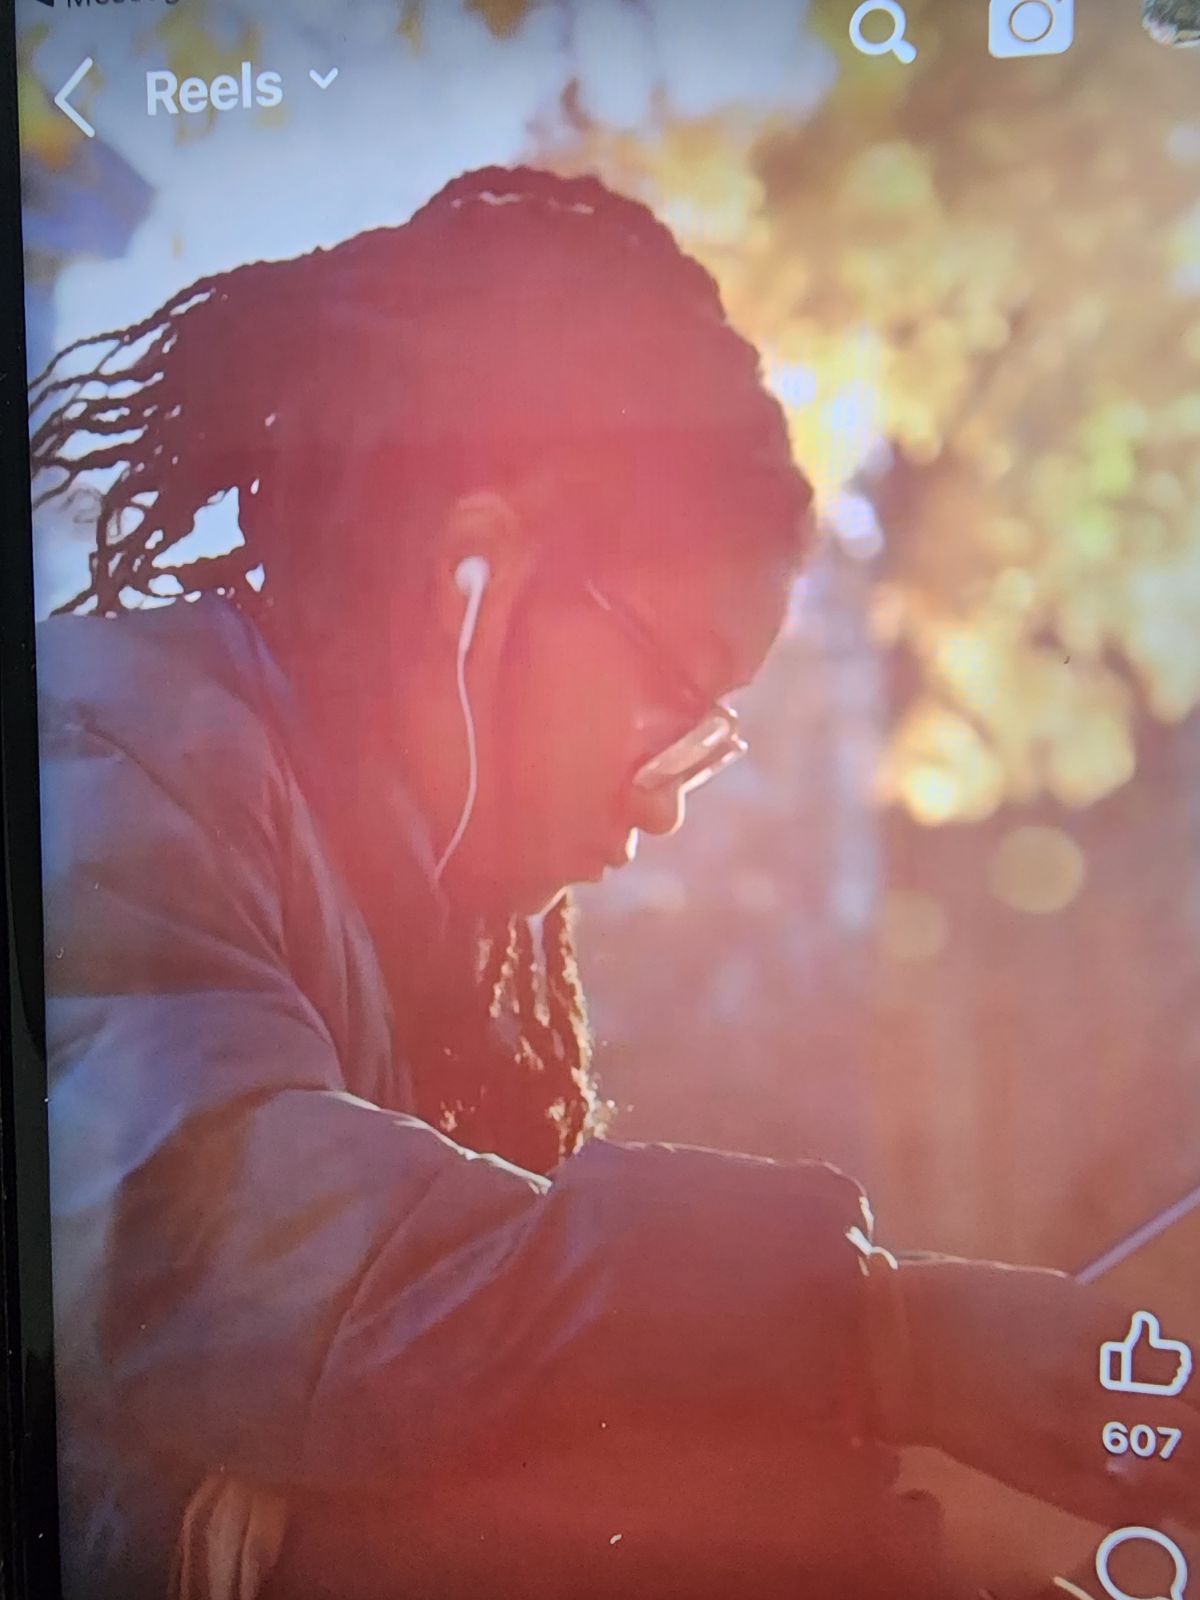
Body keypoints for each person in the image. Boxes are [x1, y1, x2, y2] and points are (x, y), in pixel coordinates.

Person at [32, 167, 1197, 1600]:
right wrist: (881, 1339)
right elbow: (203, 1242)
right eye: (677, 700)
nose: (669, 805)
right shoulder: (91, 745)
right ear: (478, 572)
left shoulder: (400, 904)